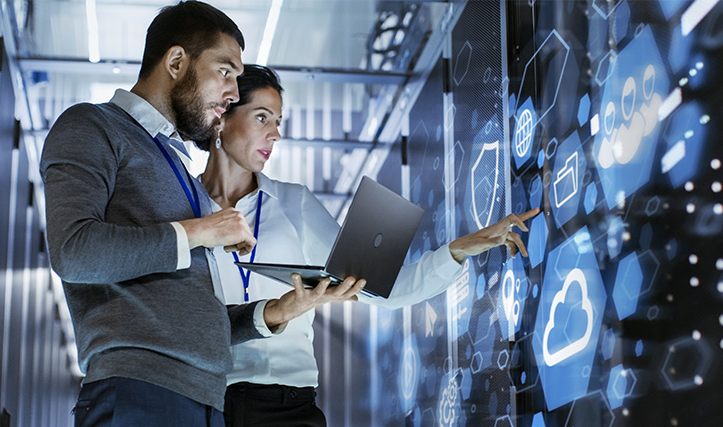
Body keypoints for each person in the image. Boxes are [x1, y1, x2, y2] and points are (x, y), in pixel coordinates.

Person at [40, 3, 362, 426]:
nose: (233, 93)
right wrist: (199, 231)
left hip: (204, 401)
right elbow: (73, 251)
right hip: (139, 391)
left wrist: (275, 312)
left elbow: (195, 318)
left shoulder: (179, 171)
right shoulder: (93, 125)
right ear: (176, 62)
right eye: (225, 71)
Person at [195, 64, 540, 427]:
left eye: (278, 122)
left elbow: (382, 289)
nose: (276, 134)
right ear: (222, 116)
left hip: (287, 406)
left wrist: (459, 249)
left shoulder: (294, 203)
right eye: (262, 118)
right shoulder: (182, 208)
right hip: (203, 401)